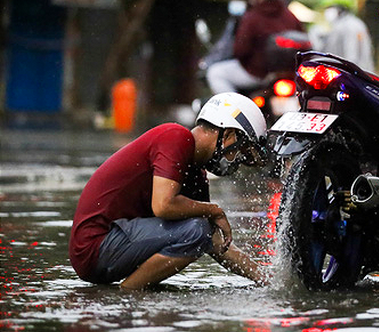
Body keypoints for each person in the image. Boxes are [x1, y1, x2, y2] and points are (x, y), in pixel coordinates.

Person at [69, 92, 269, 290]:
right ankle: (127, 293)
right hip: (94, 248)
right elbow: (163, 206)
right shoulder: (176, 137)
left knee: (201, 230)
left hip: (112, 247)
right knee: (199, 229)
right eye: (238, 150)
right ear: (227, 135)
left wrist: (267, 279)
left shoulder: (196, 174)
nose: (235, 159)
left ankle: (128, 290)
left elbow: (215, 242)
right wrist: (214, 210)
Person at [206, 0, 303, 94]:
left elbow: (240, 50)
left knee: (215, 73)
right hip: (286, 74)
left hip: (256, 74)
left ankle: (234, 108)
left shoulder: (252, 17)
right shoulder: (289, 15)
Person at [321, 0, 375, 72]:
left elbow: (351, 55)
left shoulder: (349, 26)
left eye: (331, 7)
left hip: (353, 75)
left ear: (340, 9)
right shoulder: (343, 25)